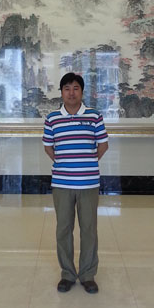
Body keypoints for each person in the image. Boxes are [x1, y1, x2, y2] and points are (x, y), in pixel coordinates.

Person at [43, 72, 109, 294]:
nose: (71, 93)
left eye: (76, 88)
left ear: (82, 91)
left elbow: (103, 145)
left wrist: (87, 162)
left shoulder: (94, 116)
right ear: (61, 92)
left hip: (88, 183)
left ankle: (88, 275)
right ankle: (68, 274)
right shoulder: (52, 118)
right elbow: (48, 147)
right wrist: (64, 163)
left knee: (89, 229)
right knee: (63, 229)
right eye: (67, 88)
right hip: (62, 184)